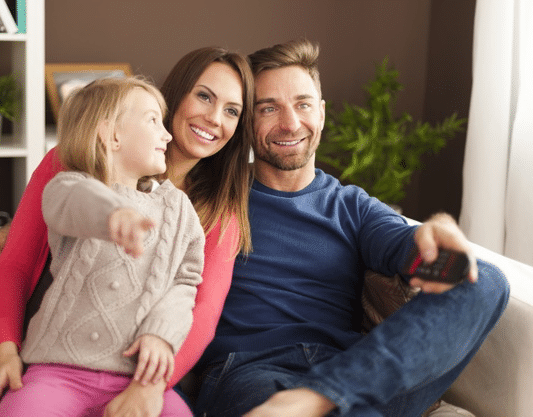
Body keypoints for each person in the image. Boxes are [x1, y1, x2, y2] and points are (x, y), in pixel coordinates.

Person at [192, 39, 510, 417]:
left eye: (303, 104)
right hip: (248, 372)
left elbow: (413, 252)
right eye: (268, 108)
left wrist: (438, 236)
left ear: (322, 113)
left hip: (351, 372)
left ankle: (318, 397)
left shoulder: (352, 206)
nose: (291, 123)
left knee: (482, 278)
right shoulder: (214, 195)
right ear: (247, 121)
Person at [0, 46, 254, 417]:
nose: (215, 118)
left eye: (232, 111)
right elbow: (23, 256)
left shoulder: (217, 213)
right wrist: (6, 346)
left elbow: (200, 309)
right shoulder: (70, 165)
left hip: (143, 375)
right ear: (177, 94)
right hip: (55, 364)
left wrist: (149, 388)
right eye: (204, 96)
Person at [0, 76, 204, 416]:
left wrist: (161, 335)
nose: (167, 135)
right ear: (111, 135)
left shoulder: (179, 210)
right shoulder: (67, 186)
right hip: (57, 372)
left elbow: (185, 283)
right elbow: (77, 202)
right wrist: (113, 214)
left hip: (136, 378)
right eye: (153, 120)